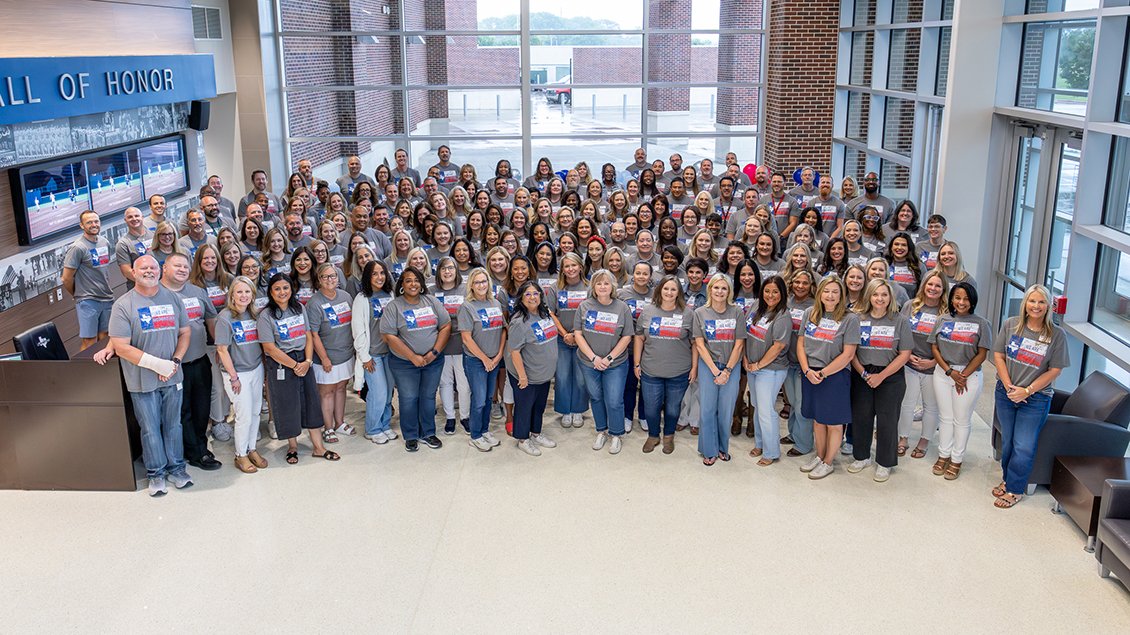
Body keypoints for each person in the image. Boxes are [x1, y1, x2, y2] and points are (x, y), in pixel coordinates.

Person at [105, 255, 192, 496]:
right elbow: (121, 346)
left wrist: (173, 362)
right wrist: (157, 365)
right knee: (150, 428)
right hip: (142, 381)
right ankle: (156, 474)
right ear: (133, 272)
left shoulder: (172, 298)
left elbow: (185, 333)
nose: (149, 271)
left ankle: (177, 469)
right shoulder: (123, 305)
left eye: (153, 267)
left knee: (173, 425)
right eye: (144, 268)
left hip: (173, 376)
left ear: (160, 271)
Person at [991, 284, 1070, 509]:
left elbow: (1055, 370)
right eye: (1032, 301)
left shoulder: (1056, 335)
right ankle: (1007, 480)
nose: (1036, 306)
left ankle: (1015, 489)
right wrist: (1009, 387)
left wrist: (1026, 391)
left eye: (1041, 302)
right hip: (1006, 392)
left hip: (1035, 398)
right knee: (1007, 441)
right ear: (1025, 303)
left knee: (1023, 444)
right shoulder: (1010, 325)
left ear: (1048, 306)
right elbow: (998, 355)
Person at [259, 273, 339, 463]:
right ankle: (292, 446)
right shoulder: (265, 315)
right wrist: (294, 365)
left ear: (291, 289)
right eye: (277, 288)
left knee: (312, 402)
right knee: (287, 405)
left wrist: (308, 361)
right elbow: (269, 348)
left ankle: (318, 447)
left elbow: (308, 336)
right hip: (282, 363)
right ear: (270, 292)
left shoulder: (299, 308)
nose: (282, 292)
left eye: (285, 288)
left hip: (304, 360)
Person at [848, 279, 913, 482]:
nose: (880, 298)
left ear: (890, 297)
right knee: (861, 417)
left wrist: (881, 376)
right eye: (875, 294)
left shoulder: (900, 320)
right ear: (869, 296)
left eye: (884, 294)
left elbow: (905, 354)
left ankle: (885, 462)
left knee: (887, 421)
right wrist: (864, 374)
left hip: (890, 376)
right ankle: (862, 457)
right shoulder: (857, 318)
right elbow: (851, 351)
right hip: (862, 375)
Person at [380, 266, 451, 452]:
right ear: (402, 284)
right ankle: (411, 435)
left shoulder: (431, 301)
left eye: (417, 280)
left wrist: (433, 353)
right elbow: (388, 336)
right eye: (408, 280)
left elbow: (445, 326)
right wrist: (412, 357)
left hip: (432, 361)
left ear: (421, 284)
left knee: (428, 397)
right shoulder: (394, 306)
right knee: (409, 398)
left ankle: (428, 432)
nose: (413, 284)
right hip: (404, 364)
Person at [161, 252, 221, 471]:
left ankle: (199, 446)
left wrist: (219, 347)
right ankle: (195, 453)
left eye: (186, 266)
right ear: (164, 268)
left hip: (200, 359)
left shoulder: (198, 292)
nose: (182, 270)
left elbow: (211, 319)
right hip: (174, 365)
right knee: (182, 411)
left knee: (201, 408)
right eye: (177, 266)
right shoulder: (157, 294)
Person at [797, 275, 860, 479]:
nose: (830, 295)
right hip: (810, 373)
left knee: (833, 423)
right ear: (819, 293)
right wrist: (807, 370)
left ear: (841, 294)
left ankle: (828, 462)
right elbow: (800, 344)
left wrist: (823, 373)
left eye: (835, 291)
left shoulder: (850, 319)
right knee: (818, 420)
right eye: (826, 291)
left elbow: (848, 354)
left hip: (834, 375)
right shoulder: (810, 313)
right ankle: (820, 456)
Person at [929, 282, 992, 481]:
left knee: (962, 419)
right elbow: (935, 348)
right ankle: (943, 454)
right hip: (943, 374)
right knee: (945, 417)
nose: (961, 302)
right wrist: (950, 372)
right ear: (951, 299)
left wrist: (962, 375)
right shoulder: (942, 319)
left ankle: (956, 459)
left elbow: (982, 354)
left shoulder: (982, 323)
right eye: (957, 298)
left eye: (966, 298)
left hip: (969, 376)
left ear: (972, 300)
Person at [574, 269, 635, 454]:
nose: (602, 286)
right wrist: (594, 358)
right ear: (593, 286)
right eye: (599, 283)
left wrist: (608, 358)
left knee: (614, 400)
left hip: (615, 364)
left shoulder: (622, 307)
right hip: (588, 362)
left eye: (606, 283)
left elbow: (627, 337)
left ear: (613, 286)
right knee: (596, 397)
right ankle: (601, 430)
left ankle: (616, 434)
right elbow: (578, 333)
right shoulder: (584, 306)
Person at [635, 275, 695, 455]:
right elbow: (639, 337)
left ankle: (668, 436)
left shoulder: (688, 314)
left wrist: (695, 368)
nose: (669, 292)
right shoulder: (648, 311)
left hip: (679, 372)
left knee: (672, 408)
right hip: (651, 370)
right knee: (651, 407)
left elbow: (695, 343)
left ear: (679, 293)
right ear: (660, 289)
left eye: (673, 289)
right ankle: (653, 436)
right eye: (666, 288)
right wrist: (636, 363)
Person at [214, 276, 268, 474]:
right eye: (239, 292)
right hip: (237, 374)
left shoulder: (254, 315)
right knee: (243, 416)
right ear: (232, 295)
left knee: (255, 412)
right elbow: (221, 350)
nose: (244, 295)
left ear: (253, 295)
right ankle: (240, 455)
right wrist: (234, 377)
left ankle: (251, 448)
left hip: (255, 369)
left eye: (247, 292)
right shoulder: (225, 318)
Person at [693, 274, 746, 466]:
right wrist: (716, 371)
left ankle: (723, 447)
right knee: (707, 409)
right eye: (716, 288)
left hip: (731, 367)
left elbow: (739, 344)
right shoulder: (700, 312)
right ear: (710, 289)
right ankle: (709, 450)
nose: (720, 292)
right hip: (709, 366)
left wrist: (727, 371)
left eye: (724, 288)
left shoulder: (737, 312)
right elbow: (700, 345)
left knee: (725, 411)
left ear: (729, 291)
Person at [898, 269, 949, 459]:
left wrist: (934, 362)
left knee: (930, 406)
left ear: (943, 289)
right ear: (923, 285)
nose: (933, 288)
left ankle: (924, 441)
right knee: (906, 403)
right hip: (909, 363)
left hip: (934, 367)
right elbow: (900, 333)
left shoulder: (946, 313)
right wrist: (907, 354)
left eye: (937, 285)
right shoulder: (910, 306)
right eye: (930, 284)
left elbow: (949, 343)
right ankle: (903, 438)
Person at [505, 281, 560, 456]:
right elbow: (514, 352)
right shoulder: (519, 322)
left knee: (539, 407)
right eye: (527, 294)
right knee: (524, 407)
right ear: (521, 298)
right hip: (526, 375)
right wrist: (522, 377)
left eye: (535, 293)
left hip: (543, 374)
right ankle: (523, 439)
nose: (532, 297)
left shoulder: (545, 315)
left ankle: (536, 433)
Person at [458, 268, 509, 452]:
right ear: (471, 285)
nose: (481, 285)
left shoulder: (494, 303)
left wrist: (498, 355)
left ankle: (485, 430)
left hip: (494, 360)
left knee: (488, 398)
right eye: (477, 282)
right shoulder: (466, 307)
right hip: (476, 361)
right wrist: (485, 359)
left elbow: (503, 329)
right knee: (479, 399)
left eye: (484, 281)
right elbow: (466, 338)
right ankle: (475, 435)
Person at [743, 275, 791, 466]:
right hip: (752, 366)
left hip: (771, 370)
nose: (770, 295)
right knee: (757, 406)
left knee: (766, 410)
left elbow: (778, 346)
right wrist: (746, 359)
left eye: (775, 292)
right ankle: (760, 443)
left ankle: (771, 452)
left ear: (782, 294)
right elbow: (746, 332)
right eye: (767, 291)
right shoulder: (756, 306)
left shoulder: (783, 316)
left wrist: (758, 365)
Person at [306, 263, 356, 443]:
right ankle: (327, 428)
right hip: (326, 358)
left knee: (341, 388)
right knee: (327, 392)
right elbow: (313, 334)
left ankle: (339, 423)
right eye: (325, 277)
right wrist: (325, 358)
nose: (330, 280)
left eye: (333, 276)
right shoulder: (314, 303)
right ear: (319, 280)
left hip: (346, 354)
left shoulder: (346, 296)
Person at [62, 210, 115, 351]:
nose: (94, 224)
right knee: (90, 341)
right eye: (89, 222)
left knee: (105, 337)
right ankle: (85, 371)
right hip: (88, 301)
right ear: (81, 225)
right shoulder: (77, 248)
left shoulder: (105, 242)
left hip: (107, 298)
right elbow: (66, 278)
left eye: (96, 221)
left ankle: (103, 371)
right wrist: (77, 295)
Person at [431, 257, 470, 435]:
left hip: (463, 343)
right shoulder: (431, 292)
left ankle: (465, 416)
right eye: (443, 268)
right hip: (441, 343)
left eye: (451, 268)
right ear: (438, 272)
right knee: (445, 382)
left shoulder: (466, 289)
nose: (447, 272)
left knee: (464, 384)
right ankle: (450, 417)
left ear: (456, 270)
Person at [551, 253, 590, 428]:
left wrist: (577, 334)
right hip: (561, 339)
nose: (571, 269)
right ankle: (565, 410)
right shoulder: (555, 288)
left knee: (581, 377)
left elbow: (591, 312)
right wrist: (565, 333)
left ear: (581, 267)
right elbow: (550, 313)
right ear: (562, 269)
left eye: (574, 265)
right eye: (567, 266)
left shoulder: (589, 287)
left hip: (584, 339)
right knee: (562, 376)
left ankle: (578, 410)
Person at [115, 206, 153, 288]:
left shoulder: (154, 234)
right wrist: (148, 284)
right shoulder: (123, 244)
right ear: (125, 220)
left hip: (160, 285)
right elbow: (127, 272)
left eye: (136, 216)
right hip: (140, 288)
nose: (134, 219)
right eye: (130, 217)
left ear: (142, 217)